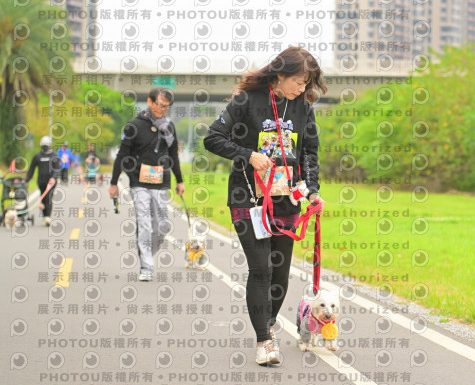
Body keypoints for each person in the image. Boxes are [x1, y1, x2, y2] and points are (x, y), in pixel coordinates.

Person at [203, 47, 326, 365]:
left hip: (286, 200)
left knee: (280, 275)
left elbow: (309, 152)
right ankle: (264, 341)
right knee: (261, 269)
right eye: (298, 81)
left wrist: (312, 192)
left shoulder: (303, 106)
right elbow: (212, 137)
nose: (302, 88)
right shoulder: (247, 100)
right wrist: (248, 155)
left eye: (307, 83)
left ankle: (267, 324)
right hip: (249, 199)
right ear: (281, 74)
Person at [109, 87, 185, 281]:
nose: (162, 109)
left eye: (166, 106)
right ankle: (146, 267)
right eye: (159, 105)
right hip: (138, 181)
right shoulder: (133, 125)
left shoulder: (169, 127)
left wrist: (180, 180)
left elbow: (173, 155)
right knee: (144, 223)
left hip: (161, 181)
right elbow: (122, 155)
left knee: (162, 227)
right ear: (150, 102)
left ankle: (147, 254)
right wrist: (114, 182)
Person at [25, 136, 60, 226]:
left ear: (50, 145)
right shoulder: (37, 156)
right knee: (43, 198)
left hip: (51, 182)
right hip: (41, 181)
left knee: (48, 198)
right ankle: (45, 216)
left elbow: (57, 169)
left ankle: (48, 217)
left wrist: (53, 178)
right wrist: (26, 180)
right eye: (43, 146)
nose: (45, 147)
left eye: (46, 146)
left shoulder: (54, 156)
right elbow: (31, 170)